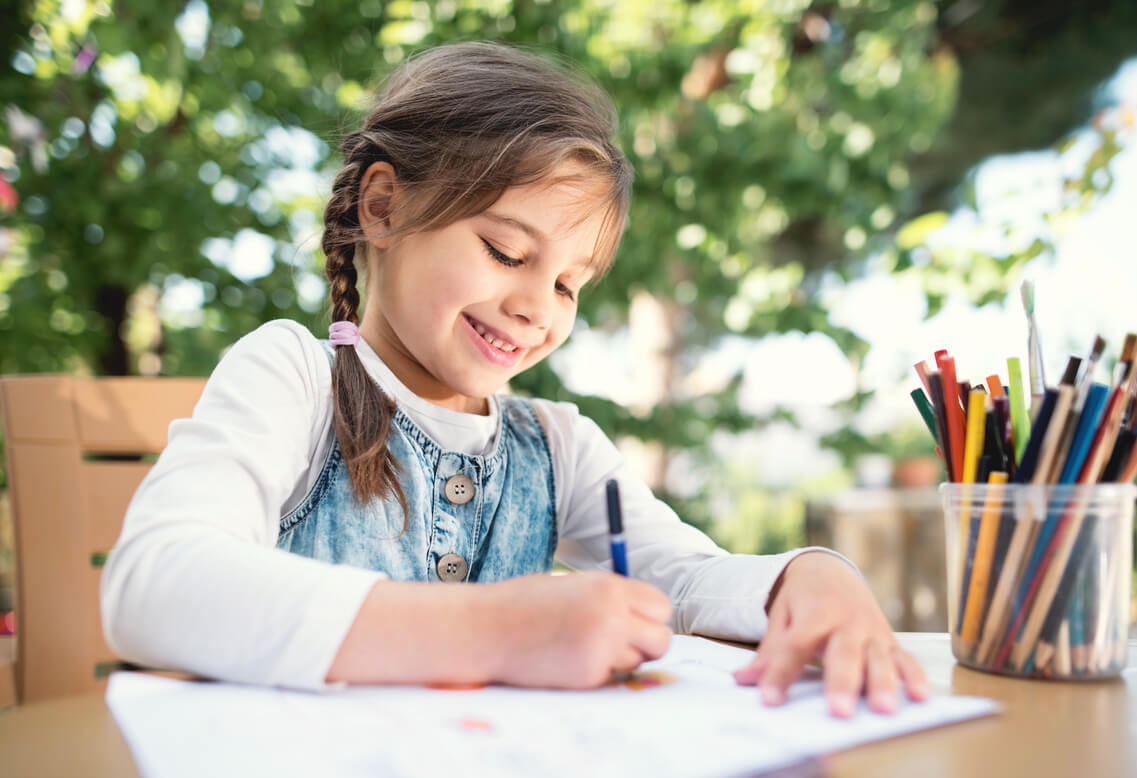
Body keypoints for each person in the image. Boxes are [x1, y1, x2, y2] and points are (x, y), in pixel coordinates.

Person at [102, 41, 927, 717]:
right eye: (505, 252)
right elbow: (155, 583)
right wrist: (494, 629)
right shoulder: (292, 375)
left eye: (568, 283)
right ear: (383, 208)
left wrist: (808, 575)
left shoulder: (557, 444)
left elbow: (685, 577)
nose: (537, 306)